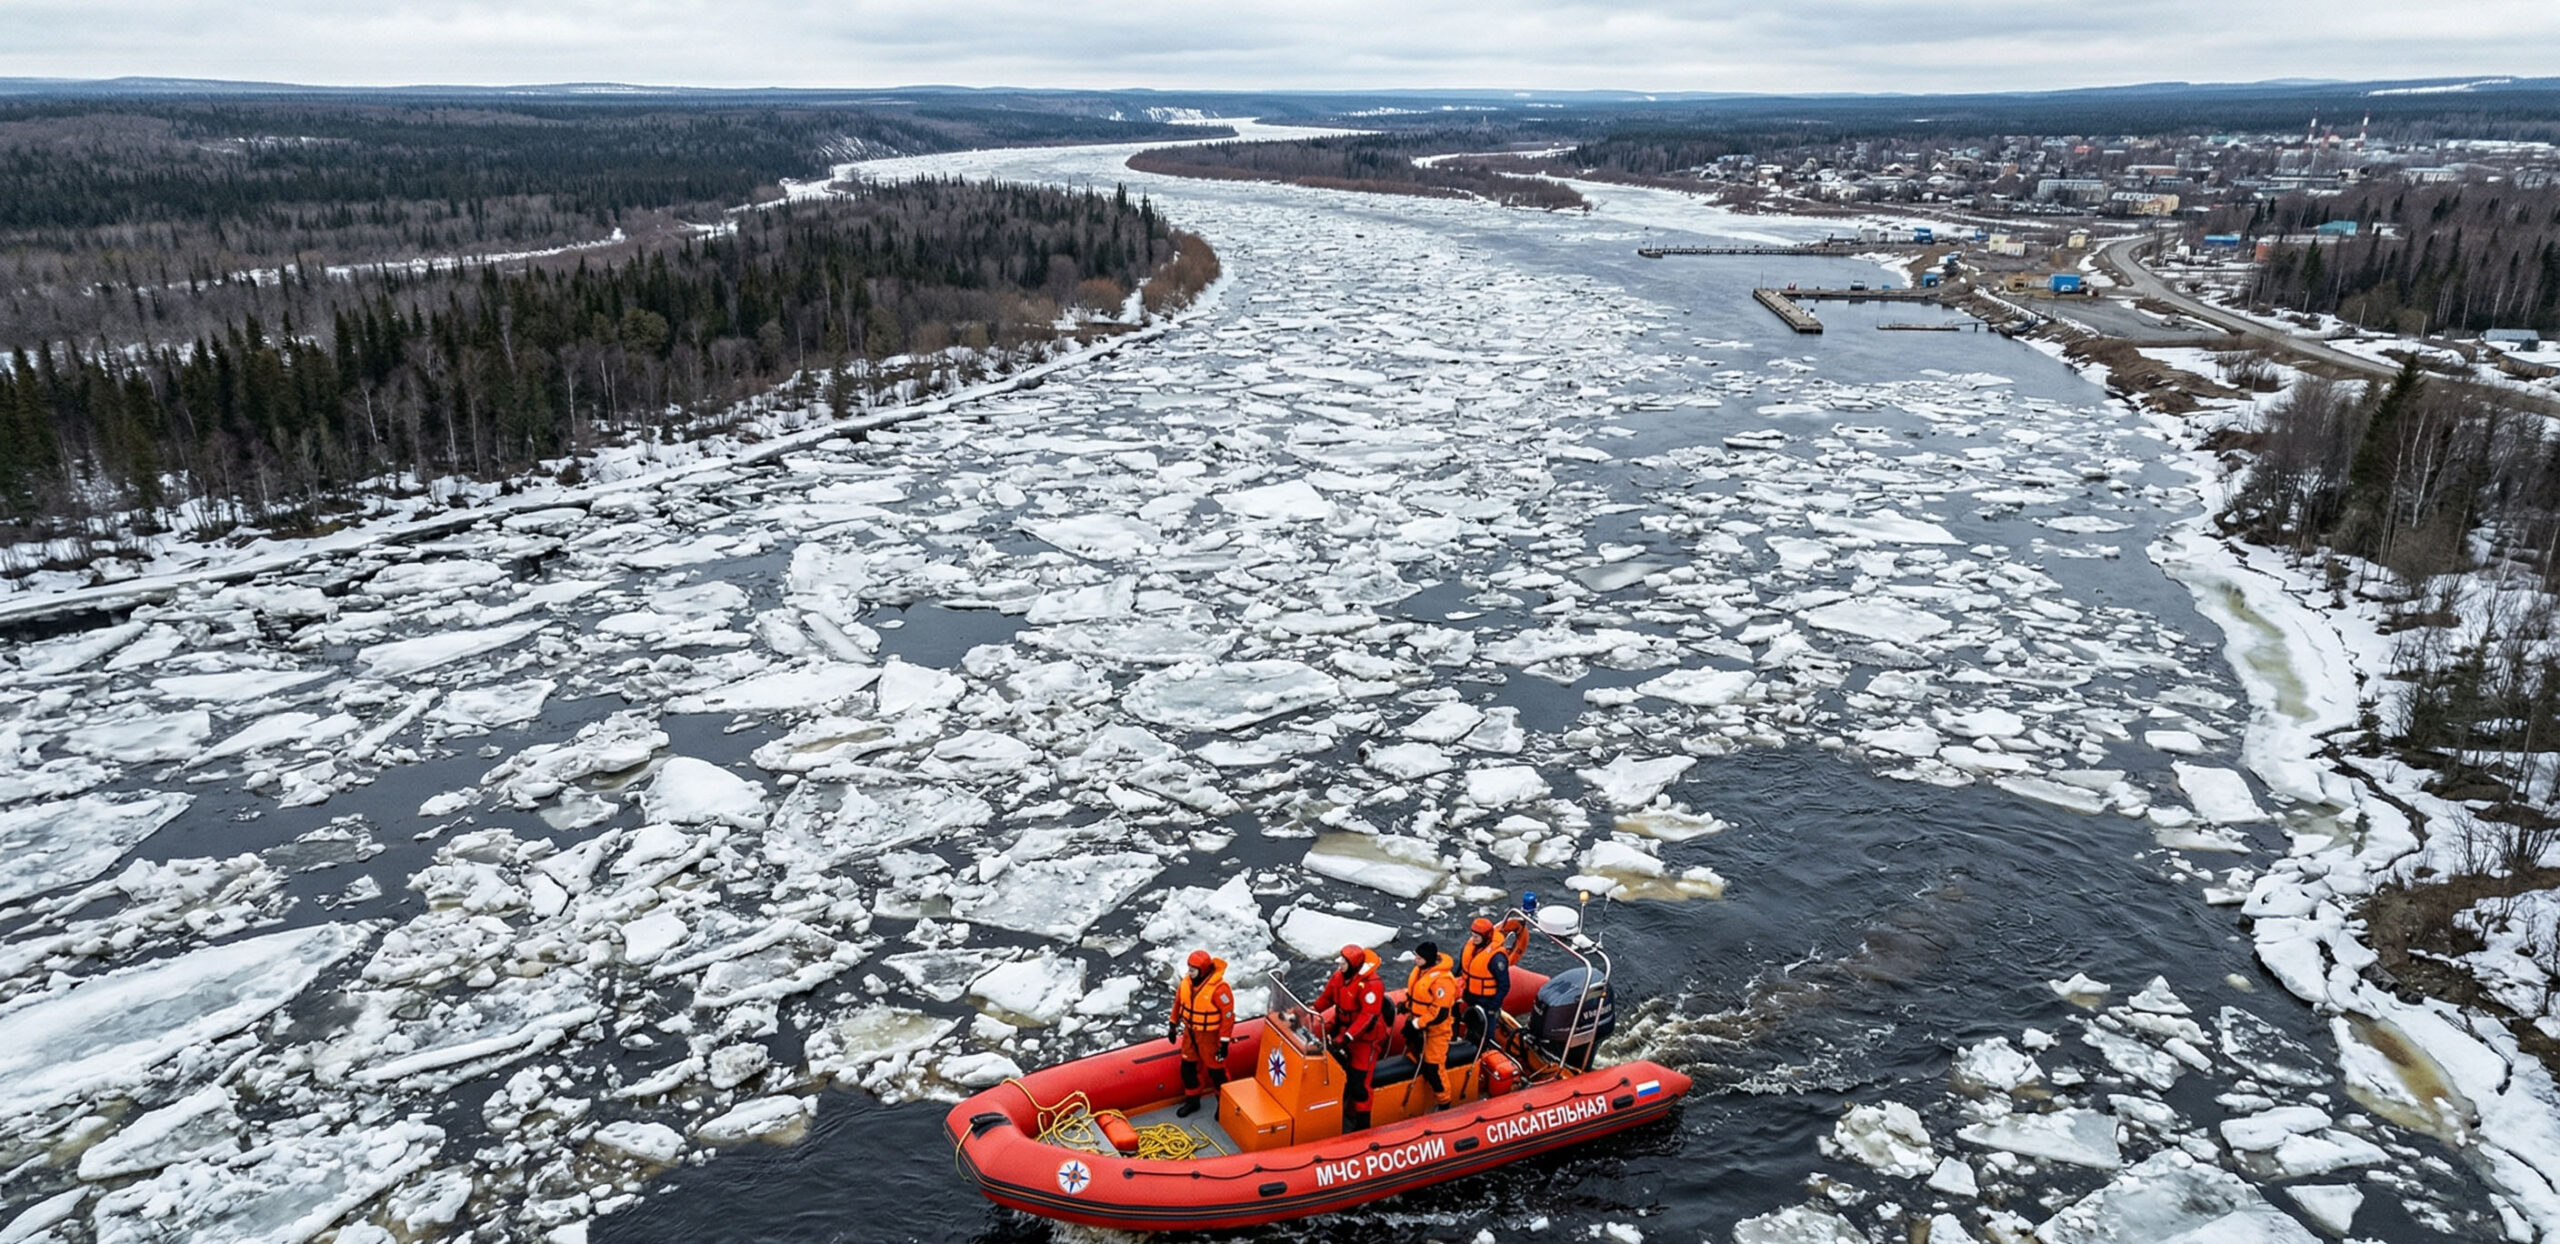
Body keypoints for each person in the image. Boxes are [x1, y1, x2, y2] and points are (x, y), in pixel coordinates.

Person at [1313, 943, 1389, 1132]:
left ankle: (1363, 1128)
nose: (1339, 965)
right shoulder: (1339, 977)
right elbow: (1326, 998)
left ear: (1353, 965)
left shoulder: (1371, 985)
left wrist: (1346, 1038)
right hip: (1343, 1030)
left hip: (1365, 1040)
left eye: (1344, 962)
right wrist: (1308, 1012)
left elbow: (1367, 1017)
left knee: (1359, 1086)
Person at [1167, 948, 1234, 1117]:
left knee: (1217, 1073)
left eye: (1192, 969)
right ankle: (1193, 1101)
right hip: (1190, 1033)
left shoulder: (1219, 989)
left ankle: (1224, 1105)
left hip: (1210, 1038)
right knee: (1187, 1069)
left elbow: (1228, 1016)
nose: (1189, 972)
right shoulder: (1186, 984)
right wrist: (1173, 1025)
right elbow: (1178, 1004)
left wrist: (1224, 1042)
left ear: (1202, 970)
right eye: (1189, 968)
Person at [1402, 942, 1462, 1111]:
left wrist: (1416, 1024)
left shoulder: (1443, 981)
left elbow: (1439, 1014)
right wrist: (1406, 1006)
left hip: (1436, 1031)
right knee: (1414, 1056)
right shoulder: (1421, 972)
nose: (1415, 960)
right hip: (1419, 1025)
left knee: (1433, 1067)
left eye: (1419, 958)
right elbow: (1416, 995)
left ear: (1427, 959)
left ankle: (1444, 1103)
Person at [1456, 913, 1529, 1045]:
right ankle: (1470, 1041)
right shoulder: (1469, 948)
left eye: (1477, 936)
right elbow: (1460, 969)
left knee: (1487, 1032)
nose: (1474, 939)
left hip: (1488, 1001)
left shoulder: (1497, 958)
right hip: (1471, 996)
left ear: (1486, 936)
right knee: (1472, 1025)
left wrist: (1494, 1005)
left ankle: (1486, 1049)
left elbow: (1504, 985)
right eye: (1473, 935)